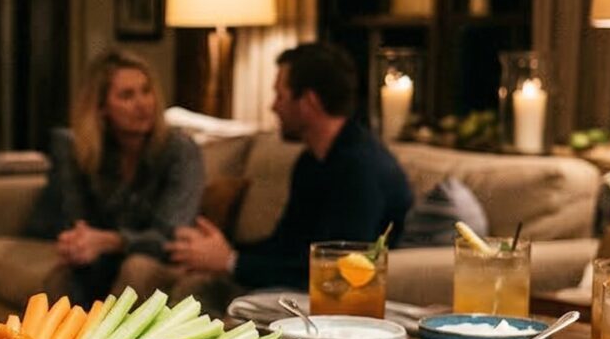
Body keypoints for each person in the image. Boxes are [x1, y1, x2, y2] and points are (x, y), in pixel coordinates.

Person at [168, 42, 411, 292]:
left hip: (343, 296)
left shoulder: (360, 169)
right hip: (301, 285)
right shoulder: (311, 162)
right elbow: (284, 246)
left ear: (309, 102)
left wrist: (231, 262)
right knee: (195, 289)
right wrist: (219, 252)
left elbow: (339, 269)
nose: (273, 107)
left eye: (280, 95)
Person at [25, 48, 201, 303]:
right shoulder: (85, 149)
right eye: (127, 95)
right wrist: (78, 241)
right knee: (61, 278)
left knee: (137, 268)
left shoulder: (180, 150)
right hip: (106, 259)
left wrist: (111, 241)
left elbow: (170, 235)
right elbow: (77, 220)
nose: (143, 104)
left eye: (146, 91)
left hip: (163, 257)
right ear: (101, 108)